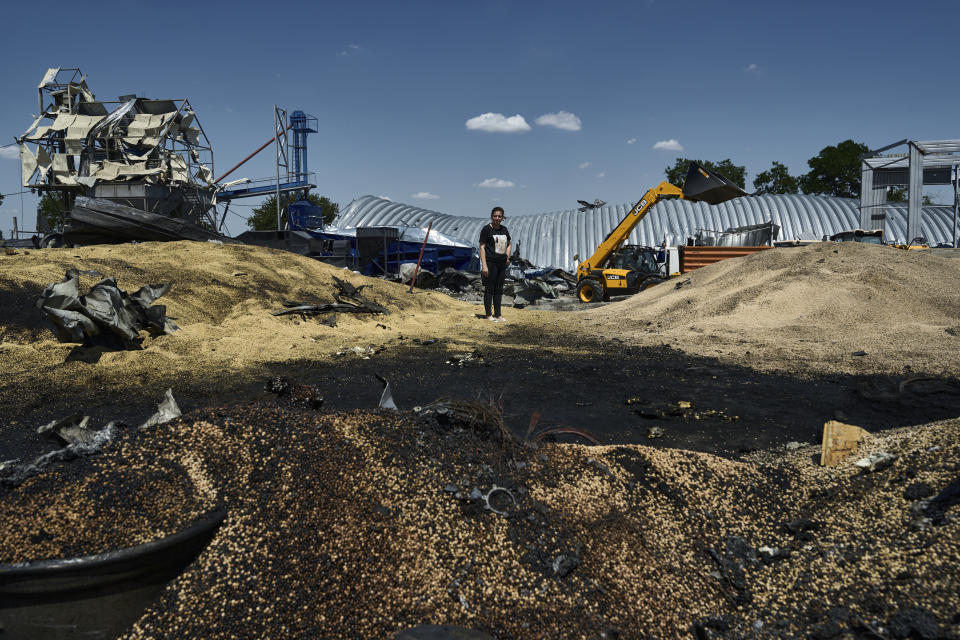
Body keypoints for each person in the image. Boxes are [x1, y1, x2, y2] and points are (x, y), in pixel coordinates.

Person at [478, 206, 512, 322]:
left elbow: (508, 244)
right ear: (491, 216)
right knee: (489, 289)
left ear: (502, 218)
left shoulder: (504, 229)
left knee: (499, 289)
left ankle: (498, 314)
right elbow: (482, 248)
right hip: (490, 263)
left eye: (499, 216)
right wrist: (484, 266)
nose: (497, 218)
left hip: (501, 264)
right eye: (495, 216)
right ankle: (488, 315)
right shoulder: (486, 229)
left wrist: (507, 257)